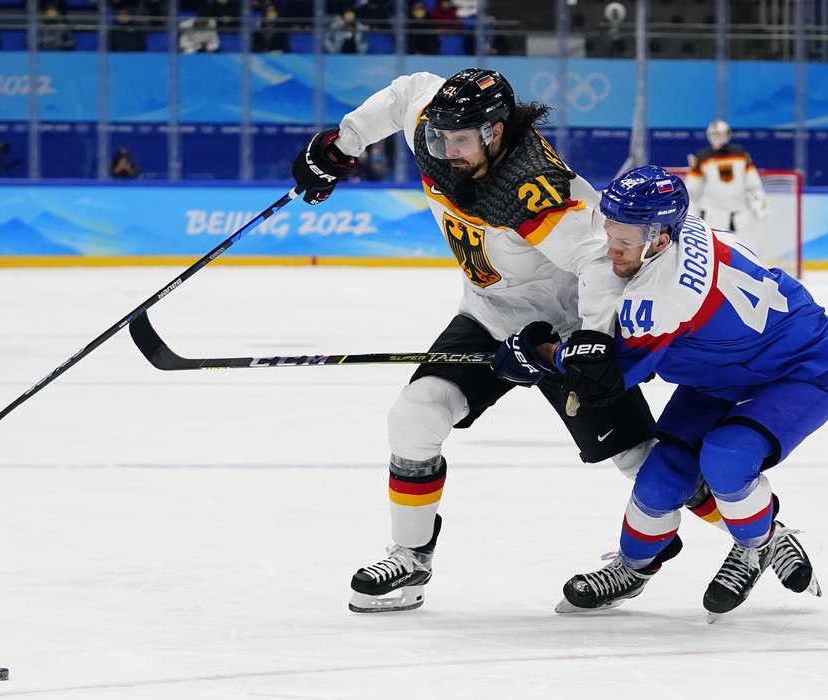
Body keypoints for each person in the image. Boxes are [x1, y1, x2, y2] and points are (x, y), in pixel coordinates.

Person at [290, 68, 678, 613]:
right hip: (491, 313)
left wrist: (590, 340)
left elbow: (603, 262)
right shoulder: (441, 129)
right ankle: (409, 558)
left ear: (495, 132)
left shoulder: (537, 191)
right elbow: (408, 92)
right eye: (440, 136)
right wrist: (341, 144)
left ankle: (758, 533)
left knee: (641, 458)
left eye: (461, 140)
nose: (446, 150)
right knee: (415, 415)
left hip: (564, 326)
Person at [499, 166, 828, 620]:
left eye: (625, 240)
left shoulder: (662, 297)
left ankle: (756, 544)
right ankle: (633, 567)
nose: (612, 249)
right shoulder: (682, 228)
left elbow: (601, 381)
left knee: (727, 457)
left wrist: (540, 353)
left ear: (660, 239)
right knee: (660, 480)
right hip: (723, 371)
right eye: (611, 233)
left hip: (799, 369)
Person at [685, 120, 770, 259]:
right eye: (713, 134)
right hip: (713, 211)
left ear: (727, 134)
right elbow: (691, 189)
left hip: (741, 210)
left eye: (719, 134)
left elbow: (752, 181)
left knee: (749, 249)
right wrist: (692, 210)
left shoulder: (740, 154)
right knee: (712, 251)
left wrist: (759, 198)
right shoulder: (702, 157)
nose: (716, 137)